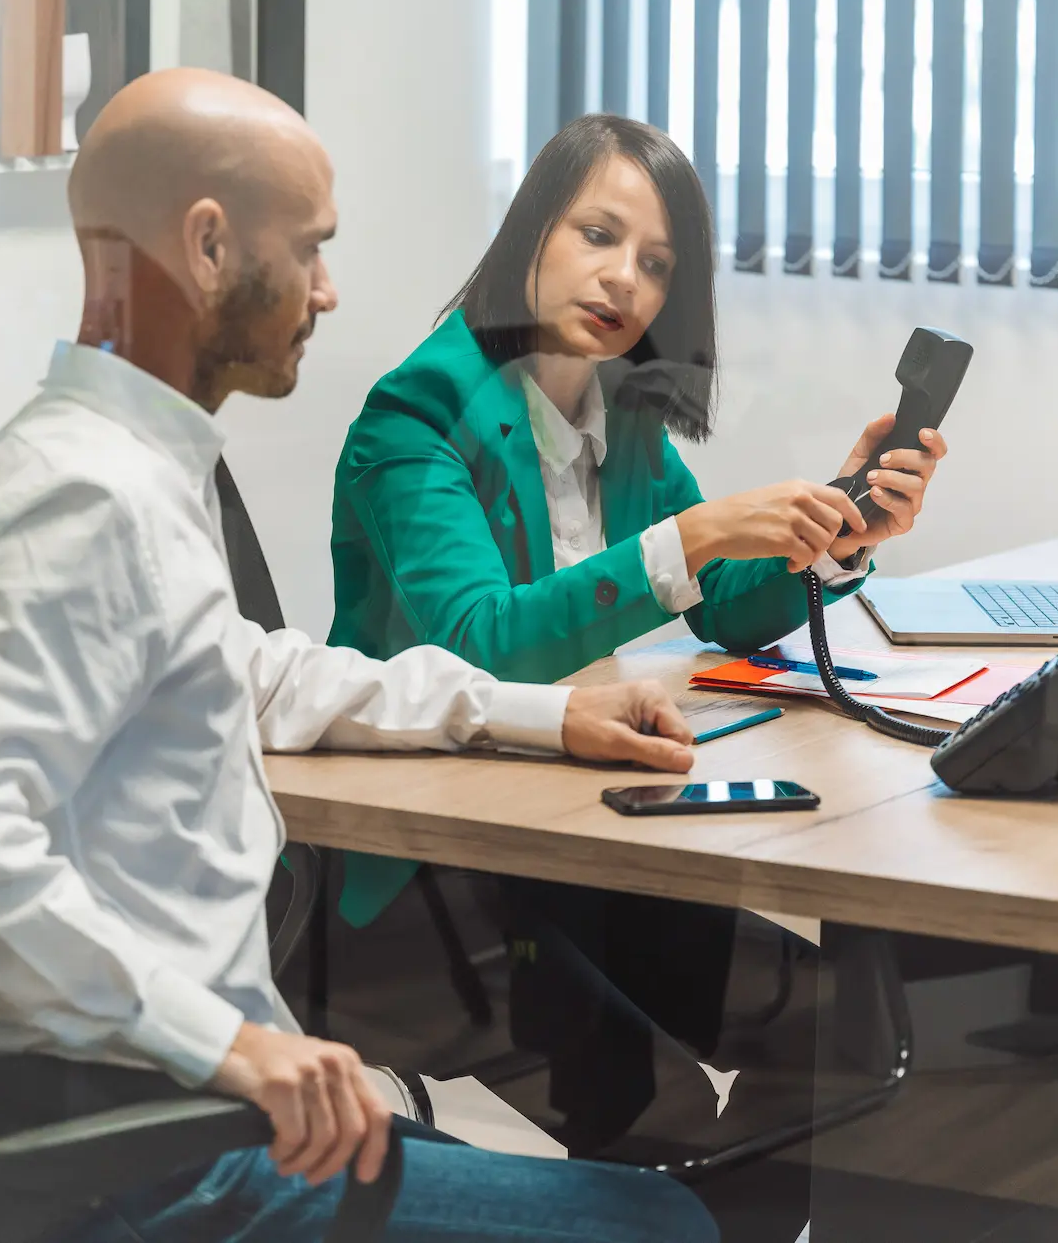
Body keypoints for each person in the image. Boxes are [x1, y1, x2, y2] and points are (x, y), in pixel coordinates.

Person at [0, 71, 719, 1243]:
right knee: (667, 1224)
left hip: (181, 1113)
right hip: (165, 1156)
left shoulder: (105, 465)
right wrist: (234, 1046)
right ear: (211, 247)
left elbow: (263, 669)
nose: (328, 289)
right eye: (311, 248)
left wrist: (540, 716)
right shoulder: (90, 502)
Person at [327, 114, 949, 1152]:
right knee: (667, 1121)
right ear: (531, 236)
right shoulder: (414, 420)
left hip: (576, 830)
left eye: (656, 263)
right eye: (596, 235)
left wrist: (839, 534)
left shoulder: (621, 418)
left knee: (833, 1028)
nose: (622, 279)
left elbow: (723, 606)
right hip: (432, 873)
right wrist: (694, 532)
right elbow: (482, 643)